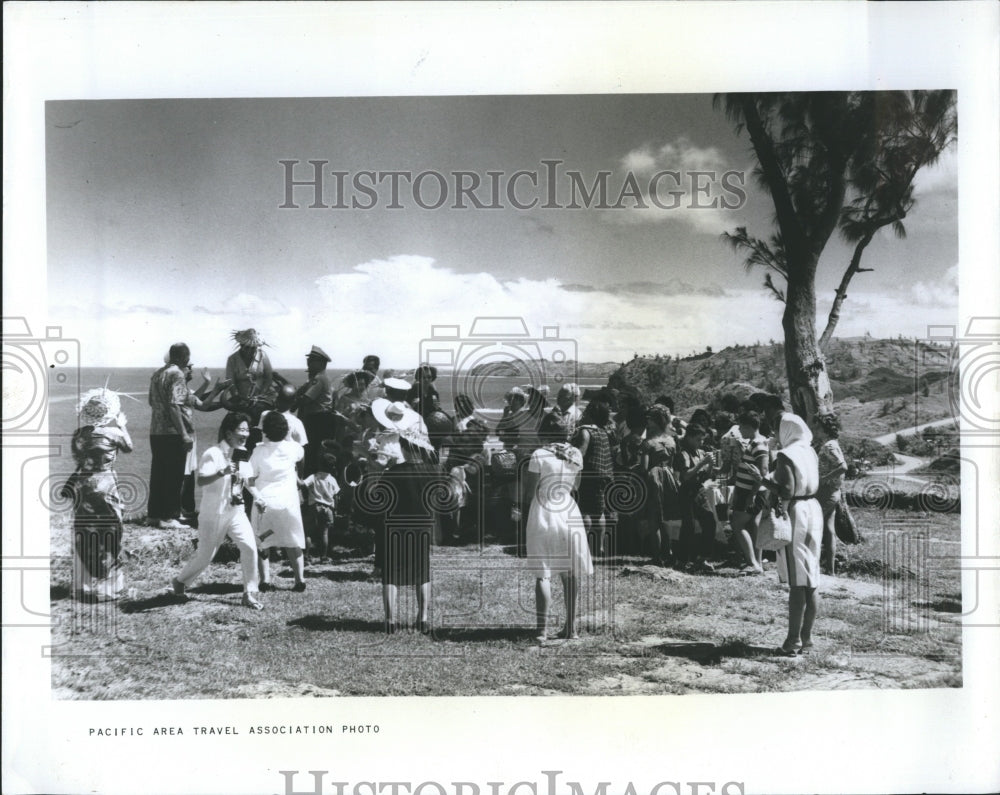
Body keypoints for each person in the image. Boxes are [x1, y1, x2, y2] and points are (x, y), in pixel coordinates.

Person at [356, 398, 440, 634]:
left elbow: (380, 480)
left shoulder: (390, 456)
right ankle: (422, 618)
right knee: (422, 570)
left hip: (395, 508)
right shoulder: (424, 455)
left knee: (391, 571)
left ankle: (390, 619)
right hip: (421, 508)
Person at [171, 412, 263, 610]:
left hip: (236, 511)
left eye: (248, 430)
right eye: (242, 430)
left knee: (249, 547)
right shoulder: (212, 453)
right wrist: (222, 472)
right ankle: (180, 582)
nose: (246, 434)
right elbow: (202, 480)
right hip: (213, 513)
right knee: (205, 556)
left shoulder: (242, 453)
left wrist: (258, 496)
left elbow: (247, 481)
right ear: (229, 433)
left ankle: (250, 593)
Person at [524, 412, 593, 642]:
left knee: (542, 573)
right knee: (570, 572)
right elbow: (577, 486)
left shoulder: (539, 454)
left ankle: (541, 631)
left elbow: (530, 490)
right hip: (568, 509)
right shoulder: (575, 454)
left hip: (544, 509)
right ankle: (571, 628)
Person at [63, 388, 133, 601]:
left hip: (83, 486)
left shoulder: (79, 435)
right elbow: (129, 447)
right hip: (106, 486)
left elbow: (77, 458)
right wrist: (122, 426)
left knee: (83, 533)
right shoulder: (114, 433)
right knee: (111, 534)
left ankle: (79, 585)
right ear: (109, 413)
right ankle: (109, 586)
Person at [764, 414, 823, 655]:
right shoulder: (809, 451)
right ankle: (807, 639)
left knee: (798, 580)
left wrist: (764, 482)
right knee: (811, 578)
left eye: (777, 430)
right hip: (813, 509)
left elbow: (787, 490)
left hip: (797, 512)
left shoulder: (786, 455)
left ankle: (793, 640)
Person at [248, 411, 307, 591]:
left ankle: (264, 580)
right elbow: (299, 450)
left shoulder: (258, 451)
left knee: (262, 541)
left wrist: (256, 496)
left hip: (264, 502)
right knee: (293, 541)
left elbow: (249, 478)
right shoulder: (294, 449)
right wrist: (288, 435)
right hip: (287, 502)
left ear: (264, 430)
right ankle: (299, 580)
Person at [148, 343, 194, 530]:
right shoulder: (178, 374)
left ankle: (154, 515)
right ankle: (169, 517)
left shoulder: (157, 373)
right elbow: (175, 404)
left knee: (158, 474)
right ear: (185, 357)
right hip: (172, 432)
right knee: (174, 476)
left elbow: (151, 400)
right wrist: (184, 433)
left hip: (156, 431)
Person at [572, 399, 614, 557]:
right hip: (604, 473)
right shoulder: (603, 431)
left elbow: (580, 453)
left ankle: (584, 546)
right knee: (599, 511)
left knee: (585, 511)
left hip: (589, 474)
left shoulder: (585, 431)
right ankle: (600, 546)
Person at [639, 404, 679, 566]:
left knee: (653, 518)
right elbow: (673, 463)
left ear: (655, 421)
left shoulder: (648, 442)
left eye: (649, 419)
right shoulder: (671, 440)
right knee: (666, 517)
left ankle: (656, 556)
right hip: (668, 475)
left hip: (653, 477)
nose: (647, 422)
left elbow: (643, 467)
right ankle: (667, 551)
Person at [729, 411, 770, 574]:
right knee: (753, 526)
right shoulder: (756, 442)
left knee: (737, 524)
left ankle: (752, 562)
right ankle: (756, 563)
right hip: (751, 491)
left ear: (748, 427)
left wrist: (752, 494)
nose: (739, 430)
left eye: (741, 427)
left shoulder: (758, 444)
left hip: (751, 492)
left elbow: (762, 471)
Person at [674, 423, 718, 572]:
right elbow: (685, 476)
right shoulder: (683, 454)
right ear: (689, 438)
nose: (701, 443)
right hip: (687, 492)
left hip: (699, 490)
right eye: (698, 440)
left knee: (710, 522)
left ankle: (702, 558)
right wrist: (702, 463)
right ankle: (682, 560)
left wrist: (710, 465)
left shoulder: (700, 452)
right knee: (689, 526)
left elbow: (705, 476)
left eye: (702, 440)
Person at [813, 412, 847, 575]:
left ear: (825, 429)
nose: (816, 430)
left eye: (818, 427)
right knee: (828, 529)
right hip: (833, 491)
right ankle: (830, 569)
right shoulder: (832, 443)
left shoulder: (829, 446)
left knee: (815, 525)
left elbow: (842, 466)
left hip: (826, 491)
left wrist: (824, 478)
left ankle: (815, 564)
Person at [293, 345, 335, 475]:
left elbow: (306, 399)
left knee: (312, 452)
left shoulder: (319, 378)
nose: (308, 362)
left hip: (318, 420)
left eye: (312, 360)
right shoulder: (318, 377)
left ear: (321, 363)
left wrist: (291, 403)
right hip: (318, 419)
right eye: (309, 359)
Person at [224, 328, 275, 423]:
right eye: (248, 347)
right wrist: (238, 398)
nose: (250, 351)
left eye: (253, 348)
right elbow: (231, 383)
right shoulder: (232, 359)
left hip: (261, 401)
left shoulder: (263, 356)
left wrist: (260, 396)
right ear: (241, 345)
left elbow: (268, 378)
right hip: (240, 402)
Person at [303, 451, 341, 561]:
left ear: (319, 464)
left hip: (314, 506)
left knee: (308, 532)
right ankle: (323, 556)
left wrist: (295, 474)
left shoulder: (313, 477)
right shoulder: (332, 479)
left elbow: (302, 484)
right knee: (324, 533)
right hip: (328, 508)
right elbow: (336, 496)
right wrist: (335, 509)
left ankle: (306, 556)